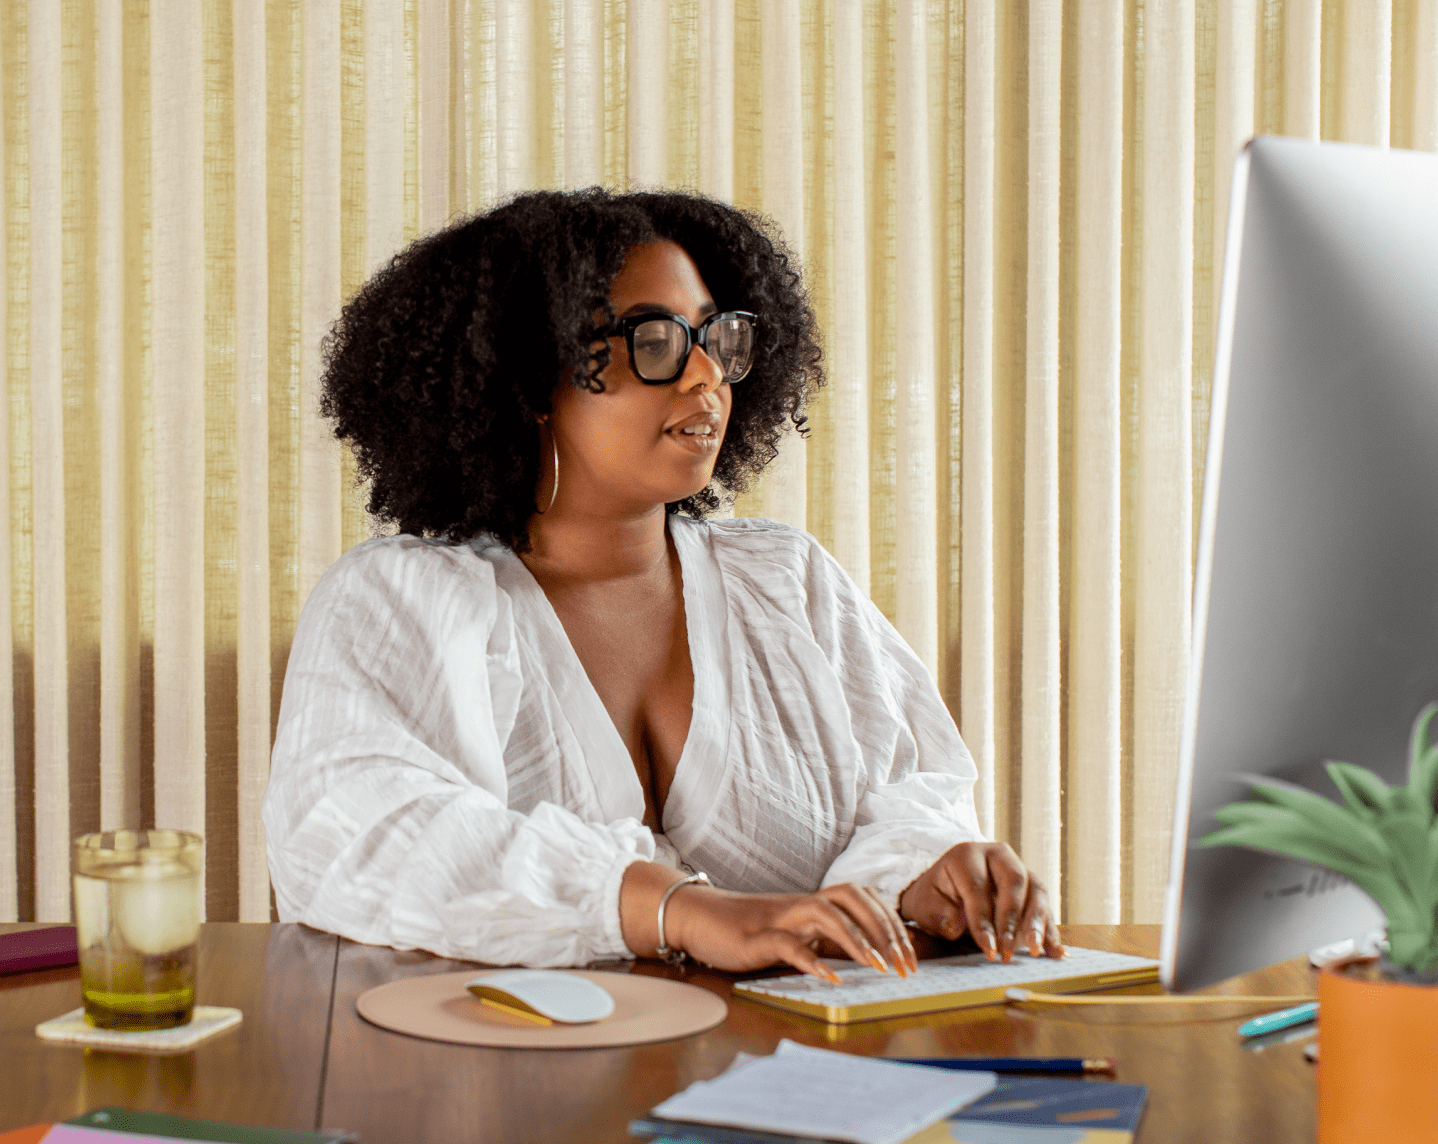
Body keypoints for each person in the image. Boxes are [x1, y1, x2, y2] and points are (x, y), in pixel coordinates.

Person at [262, 188, 1063, 981]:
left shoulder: (787, 580)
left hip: (800, 1081)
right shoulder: (399, 600)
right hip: (520, 1084)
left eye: (719, 337)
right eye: (657, 341)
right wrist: (672, 909)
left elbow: (912, 789)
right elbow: (351, 836)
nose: (708, 375)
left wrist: (928, 877)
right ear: (529, 378)